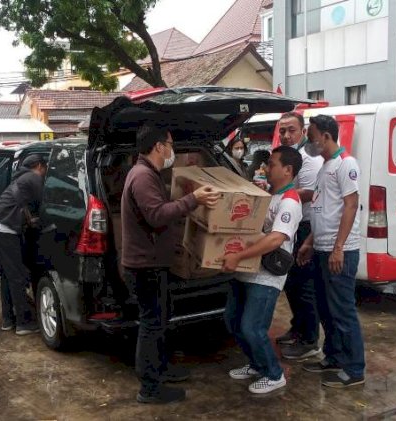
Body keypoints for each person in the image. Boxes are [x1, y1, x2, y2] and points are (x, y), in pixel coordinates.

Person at [122, 123, 220, 404]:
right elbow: (156, 215)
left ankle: (160, 369)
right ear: (158, 147)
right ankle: (150, 388)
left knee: (161, 320)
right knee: (152, 324)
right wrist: (193, 198)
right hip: (144, 267)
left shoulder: (148, 174)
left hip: (152, 263)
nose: (172, 150)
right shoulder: (142, 176)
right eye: (170, 144)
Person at [221, 146, 303, 395]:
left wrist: (239, 255)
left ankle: (274, 374)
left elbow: (275, 239)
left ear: (287, 170)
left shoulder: (290, 202)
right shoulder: (269, 195)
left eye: (273, 164)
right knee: (233, 320)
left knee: (252, 327)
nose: (267, 167)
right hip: (247, 269)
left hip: (267, 275)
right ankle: (256, 364)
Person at [297, 114, 365, 388]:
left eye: (311, 134)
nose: (308, 140)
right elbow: (323, 210)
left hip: (341, 252)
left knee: (342, 310)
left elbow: (350, 206)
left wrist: (338, 248)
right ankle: (333, 357)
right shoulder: (325, 166)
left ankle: (354, 369)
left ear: (326, 135)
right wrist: (310, 241)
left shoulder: (346, 165)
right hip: (323, 248)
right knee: (325, 307)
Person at [273, 112, 324, 360]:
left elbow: (310, 192)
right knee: (292, 283)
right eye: (282, 130)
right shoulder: (288, 155)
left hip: (305, 226)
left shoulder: (309, 158)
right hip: (292, 225)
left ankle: (310, 340)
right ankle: (298, 327)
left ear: (302, 131)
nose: (286, 135)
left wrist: (281, 192)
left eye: (291, 130)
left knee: (304, 285)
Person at [0, 154, 47, 336]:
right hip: (2, 231)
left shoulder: (19, 179)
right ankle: (24, 324)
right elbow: (45, 203)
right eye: (45, 169)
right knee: (17, 277)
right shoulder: (33, 177)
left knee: (7, 276)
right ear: (40, 166)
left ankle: (8, 320)